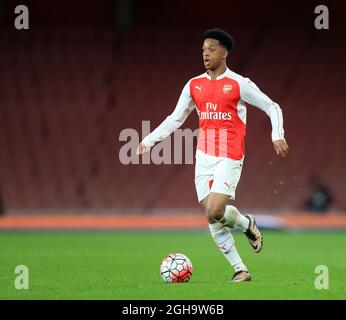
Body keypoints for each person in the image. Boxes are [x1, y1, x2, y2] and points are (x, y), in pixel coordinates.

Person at [136, 28, 289, 283]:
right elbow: (176, 118)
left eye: (212, 49)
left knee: (215, 209)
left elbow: (272, 106)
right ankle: (241, 267)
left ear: (224, 52)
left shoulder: (239, 83)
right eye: (203, 50)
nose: (206, 54)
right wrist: (150, 140)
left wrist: (277, 134)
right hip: (204, 157)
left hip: (229, 155)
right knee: (212, 215)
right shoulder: (194, 85)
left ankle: (244, 225)